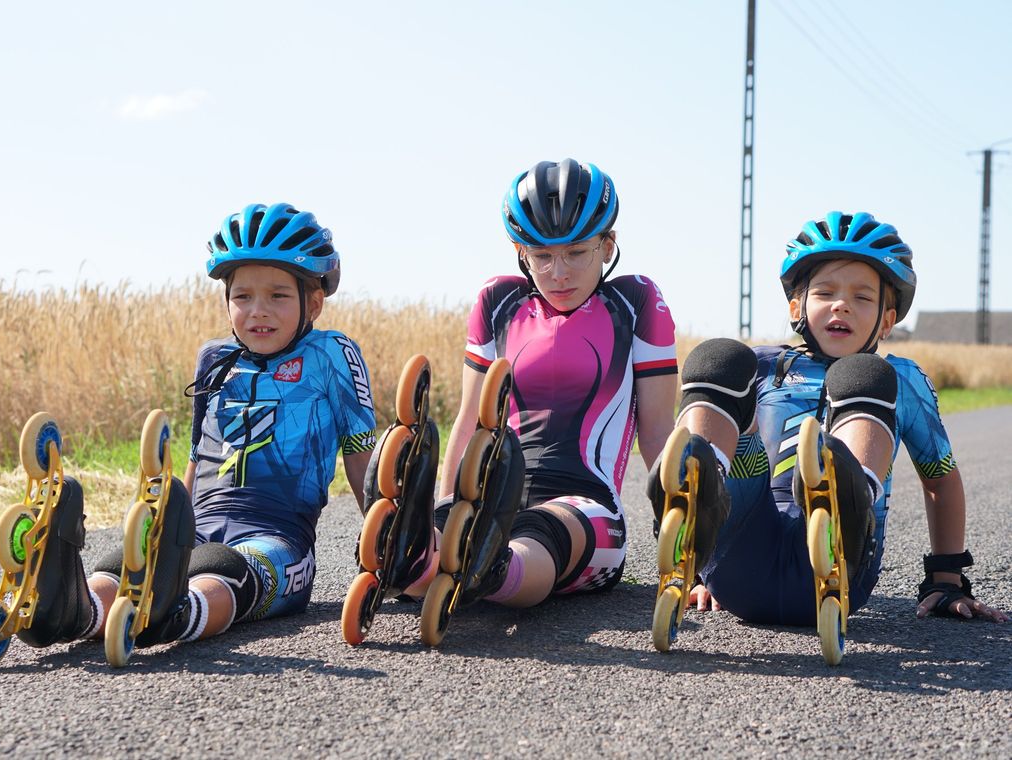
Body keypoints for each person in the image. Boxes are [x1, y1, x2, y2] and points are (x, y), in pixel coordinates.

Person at [0, 202, 378, 656]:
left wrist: (388, 553)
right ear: (225, 301)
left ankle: (175, 611)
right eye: (242, 296)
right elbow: (199, 456)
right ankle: (73, 607)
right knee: (125, 563)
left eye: (278, 295)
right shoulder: (215, 361)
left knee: (222, 571)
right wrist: (173, 523)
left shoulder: (330, 354)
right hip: (198, 526)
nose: (259, 311)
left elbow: (361, 457)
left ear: (313, 303)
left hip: (277, 538)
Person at [651, 210, 1007, 631]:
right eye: (825, 293)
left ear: (887, 321)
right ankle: (697, 521)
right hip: (739, 564)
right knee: (722, 360)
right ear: (796, 307)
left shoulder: (900, 380)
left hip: (841, 565)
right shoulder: (764, 366)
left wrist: (946, 579)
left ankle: (846, 500)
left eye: (862, 297)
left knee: (867, 376)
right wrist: (705, 567)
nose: (842, 304)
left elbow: (940, 477)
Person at [420, 158, 678, 620]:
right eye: (541, 256)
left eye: (577, 252)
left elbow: (659, 432)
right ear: (521, 251)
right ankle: (419, 562)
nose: (558, 272)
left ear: (607, 245)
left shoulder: (636, 302)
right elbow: (469, 420)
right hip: (491, 496)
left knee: (539, 531)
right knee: (439, 536)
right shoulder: (498, 302)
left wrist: (682, 547)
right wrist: (445, 508)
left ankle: (486, 571)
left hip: (587, 510)